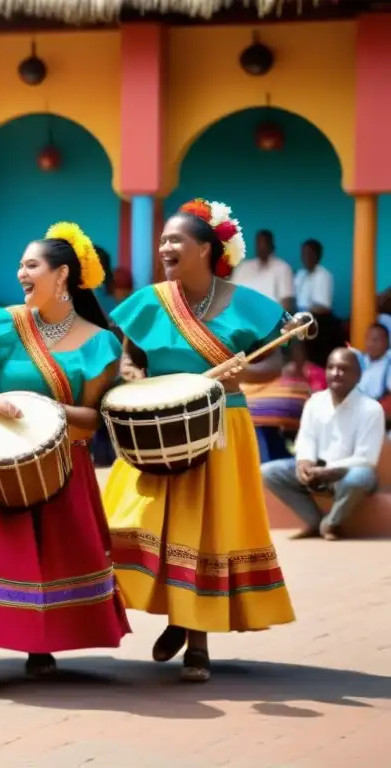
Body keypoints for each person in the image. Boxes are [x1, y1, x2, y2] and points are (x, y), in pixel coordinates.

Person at [0, 222, 130, 675]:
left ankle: (42, 649)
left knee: (51, 553)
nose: (20, 272)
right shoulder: (6, 323)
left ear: (61, 276)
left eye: (31, 264)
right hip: (0, 455)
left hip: (63, 462)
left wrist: (43, 410)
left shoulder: (100, 343)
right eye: (19, 264)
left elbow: (94, 418)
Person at [103, 199, 296, 683]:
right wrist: (131, 374)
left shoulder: (247, 303)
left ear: (208, 250)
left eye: (177, 240)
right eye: (164, 239)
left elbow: (273, 362)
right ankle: (175, 613)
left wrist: (243, 372)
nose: (166, 246)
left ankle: (196, 640)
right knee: (142, 521)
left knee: (204, 529)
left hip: (220, 427)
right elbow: (130, 356)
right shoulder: (151, 301)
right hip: (156, 426)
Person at [262, 348, 384, 541]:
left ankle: (331, 524)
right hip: (319, 472)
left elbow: (366, 458)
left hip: (349, 474)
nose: (336, 373)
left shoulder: (371, 409)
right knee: (269, 472)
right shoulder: (315, 401)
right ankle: (314, 521)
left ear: (358, 375)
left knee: (360, 476)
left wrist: (329, 469)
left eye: (343, 369)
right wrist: (305, 462)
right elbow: (306, 439)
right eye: (331, 368)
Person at [293, 239, 341, 366]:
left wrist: (302, 317)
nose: (305, 257)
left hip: (318, 320)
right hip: (300, 317)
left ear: (318, 256)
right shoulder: (300, 274)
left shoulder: (324, 275)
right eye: (303, 254)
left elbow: (323, 307)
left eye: (309, 254)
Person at [231, 229, 295, 312]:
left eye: (265, 243)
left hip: (270, 317)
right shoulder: (243, 267)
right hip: (242, 317)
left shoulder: (282, 268)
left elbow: (287, 301)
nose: (261, 247)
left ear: (272, 246)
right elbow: (231, 296)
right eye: (259, 243)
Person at [356, 323, 391, 423]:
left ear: (386, 343)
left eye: (376, 340)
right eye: (368, 339)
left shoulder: (388, 364)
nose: (371, 344)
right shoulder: (359, 361)